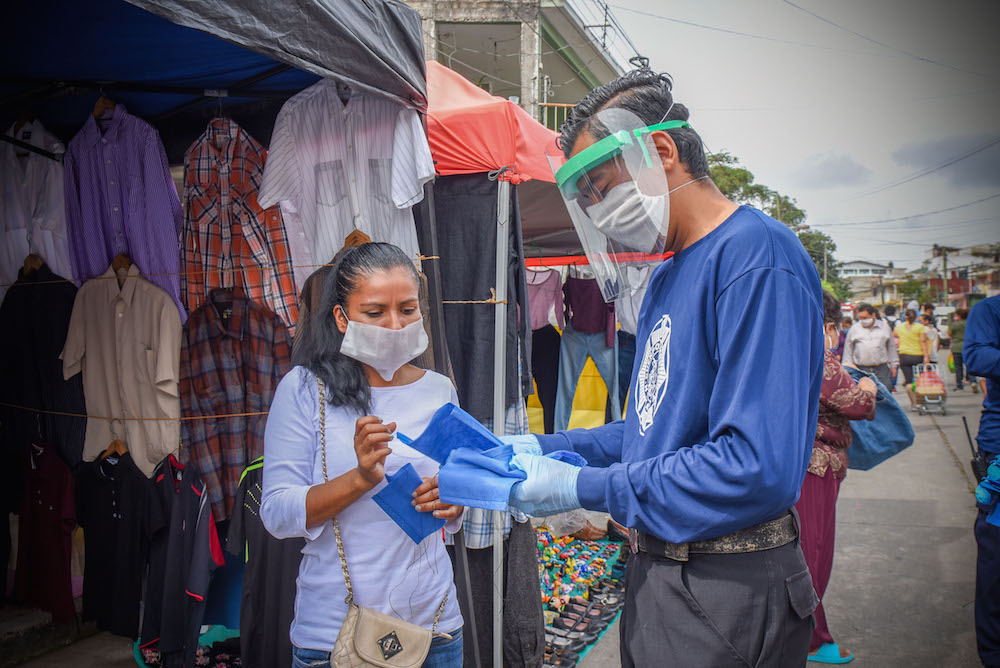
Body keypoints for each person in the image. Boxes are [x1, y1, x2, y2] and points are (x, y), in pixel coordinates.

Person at [494, 70, 825, 666]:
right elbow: (651, 429)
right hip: (663, 577)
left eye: (599, 184)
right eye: (587, 199)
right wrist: (548, 446)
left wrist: (584, 487)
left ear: (662, 151)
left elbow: (755, 466)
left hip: (727, 584)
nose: (597, 211)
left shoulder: (756, 256)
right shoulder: (670, 274)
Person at [260, 243, 465, 668]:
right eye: (375, 313)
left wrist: (455, 500)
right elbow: (277, 514)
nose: (394, 324)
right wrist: (359, 479)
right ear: (341, 317)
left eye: (407, 309)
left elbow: (458, 500)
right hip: (336, 632)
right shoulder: (303, 390)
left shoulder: (439, 389)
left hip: (436, 628)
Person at [797, 291, 877, 664]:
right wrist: (868, 389)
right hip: (815, 468)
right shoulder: (814, 353)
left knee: (806, 551)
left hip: (804, 464)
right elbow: (857, 405)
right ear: (828, 326)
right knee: (813, 553)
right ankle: (812, 638)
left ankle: (810, 634)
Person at [964, 295, 1000, 668]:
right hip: (999, 450)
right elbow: (976, 357)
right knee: (996, 554)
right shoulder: (990, 311)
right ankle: (993, 652)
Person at [842, 303, 898, 389]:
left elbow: (891, 347)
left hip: (882, 369)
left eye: (865, 318)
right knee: (865, 396)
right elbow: (848, 350)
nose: (862, 320)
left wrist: (894, 365)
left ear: (873, 315)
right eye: (860, 318)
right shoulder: (854, 329)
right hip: (861, 370)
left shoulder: (884, 327)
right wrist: (848, 368)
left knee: (885, 394)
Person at [895, 309, 929, 411]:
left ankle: (913, 404)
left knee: (909, 382)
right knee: (919, 380)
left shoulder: (899, 327)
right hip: (917, 355)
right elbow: (923, 342)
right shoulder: (920, 327)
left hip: (904, 355)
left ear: (905, 317)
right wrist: (926, 356)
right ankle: (921, 401)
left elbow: (894, 335)